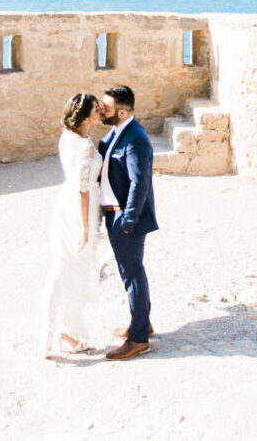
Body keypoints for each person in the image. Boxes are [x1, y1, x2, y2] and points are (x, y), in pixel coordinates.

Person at [40, 92, 106, 357]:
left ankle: (55, 331)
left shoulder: (67, 137)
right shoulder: (86, 146)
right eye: (96, 109)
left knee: (62, 266)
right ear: (86, 115)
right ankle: (68, 331)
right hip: (81, 210)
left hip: (63, 205)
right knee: (77, 270)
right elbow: (83, 189)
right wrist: (85, 229)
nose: (100, 111)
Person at [96, 84, 158, 361]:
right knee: (131, 271)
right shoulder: (113, 135)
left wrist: (127, 220)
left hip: (124, 217)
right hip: (114, 214)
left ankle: (138, 339)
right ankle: (141, 322)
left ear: (121, 112)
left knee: (131, 274)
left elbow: (139, 182)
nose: (100, 111)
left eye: (105, 108)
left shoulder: (135, 139)